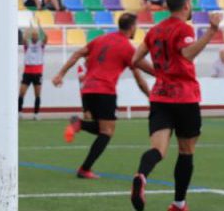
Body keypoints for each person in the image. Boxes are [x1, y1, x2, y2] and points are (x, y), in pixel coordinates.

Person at [129, 0, 221, 211]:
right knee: (186, 151)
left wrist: (160, 74)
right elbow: (187, 53)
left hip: (160, 96)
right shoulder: (183, 29)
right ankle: (179, 204)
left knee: (158, 149)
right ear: (186, 5)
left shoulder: (155, 31)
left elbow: (135, 59)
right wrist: (211, 31)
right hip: (185, 97)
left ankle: (141, 175)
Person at [53, 13, 151, 179]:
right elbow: (140, 79)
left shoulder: (101, 39)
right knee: (107, 132)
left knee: (102, 128)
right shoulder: (127, 48)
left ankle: (80, 125)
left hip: (88, 90)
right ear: (133, 27)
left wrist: (60, 74)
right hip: (104, 91)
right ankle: (85, 168)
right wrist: (152, 96)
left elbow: (77, 54)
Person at [18, 27, 48, 119]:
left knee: (37, 94)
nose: (35, 37)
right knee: (21, 92)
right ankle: (19, 112)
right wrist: (29, 30)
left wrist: (40, 27)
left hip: (38, 72)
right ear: (32, 36)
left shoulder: (41, 45)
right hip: (27, 71)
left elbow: (46, 37)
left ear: (38, 37)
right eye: (33, 35)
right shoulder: (28, 45)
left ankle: (36, 113)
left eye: (36, 35)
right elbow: (24, 39)